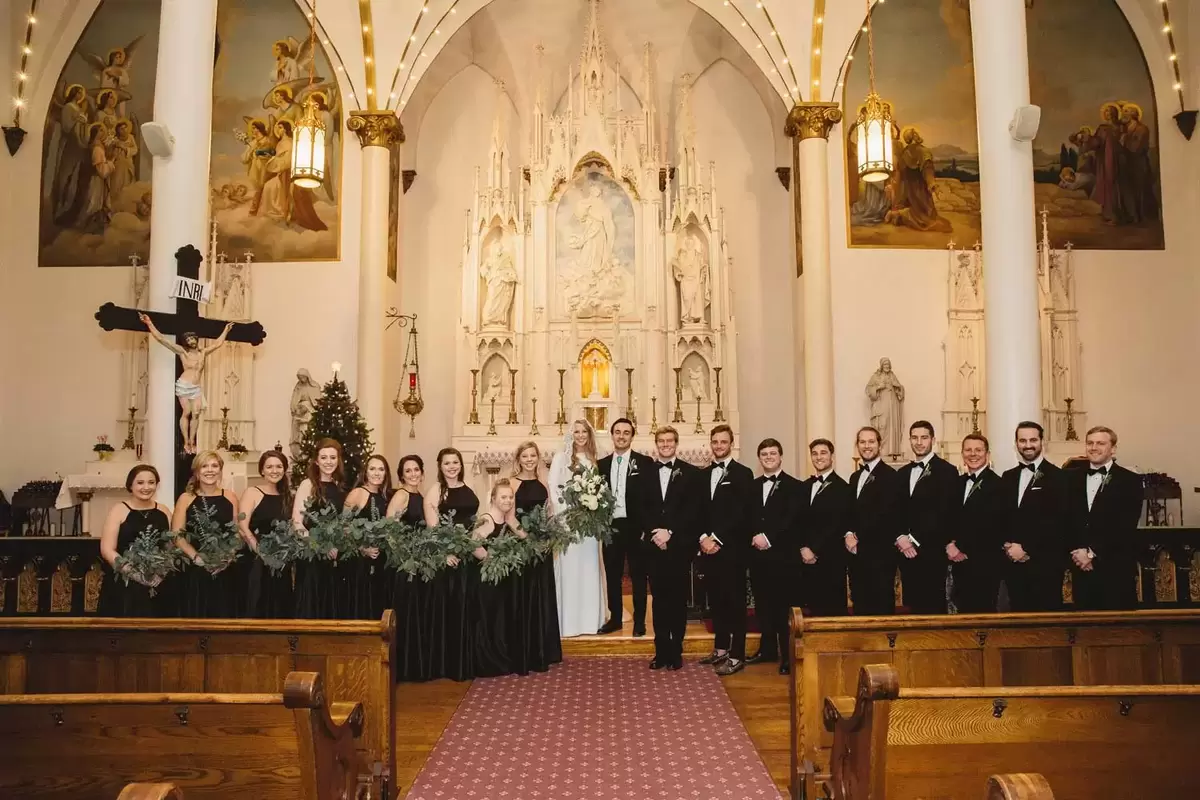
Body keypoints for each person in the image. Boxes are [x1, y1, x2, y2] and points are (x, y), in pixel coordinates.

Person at [641, 426, 701, 671]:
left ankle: (676, 651)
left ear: (676, 443)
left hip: (678, 547)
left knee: (677, 601)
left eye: (669, 441)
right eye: (661, 441)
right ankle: (661, 651)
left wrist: (671, 532)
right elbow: (639, 506)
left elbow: (693, 510)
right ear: (656, 444)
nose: (665, 444)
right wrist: (655, 532)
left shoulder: (690, 473)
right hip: (654, 546)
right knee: (658, 601)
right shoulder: (645, 472)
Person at [697, 424, 755, 676]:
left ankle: (737, 654)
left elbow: (742, 513)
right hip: (707, 548)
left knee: (735, 602)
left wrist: (718, 539)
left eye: (723, 441)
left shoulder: (743, 473)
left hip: (731, 548)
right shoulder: (702, 474)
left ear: (732, 443)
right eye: (715, 441)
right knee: (717, 601)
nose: (719, 445)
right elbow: (696, 511)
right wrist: (702, 538)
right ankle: (720, 649)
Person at [1066, 427, 1143, 611]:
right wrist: (1077, 552)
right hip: (1081, 569)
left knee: (1118, 632)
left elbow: (1125, 525)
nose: (1094, 447)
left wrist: (1092, 554)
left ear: (1113, 449)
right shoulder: (1070, 478)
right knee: (1085, 632)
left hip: (1115, 568)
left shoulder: (1129, 481)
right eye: (1090, 443)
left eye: (1101, 443)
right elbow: (1064, 520)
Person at [138, 312, 234, 455]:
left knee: (196, 414)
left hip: (195, 388)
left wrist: (225, 330)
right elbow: (162, 339)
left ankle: (192, 440)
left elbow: (218, 344)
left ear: (196, 339)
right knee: (187, 412)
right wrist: (149, 323)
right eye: (188, 339)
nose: (191, 340)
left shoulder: (203, 352)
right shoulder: (183, 352)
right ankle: (185, 441)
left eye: (192, 338)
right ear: (186, 342)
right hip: (184, 385)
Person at [423, 448, 480, 681]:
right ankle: (448, 665)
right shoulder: (436, 490)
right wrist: (445, 554)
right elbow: (432, 528)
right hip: (448, 560)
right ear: (440, 466)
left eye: (455, 462)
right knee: (450, 611)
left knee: (467, 609)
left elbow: (474, 522)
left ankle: (466, 662)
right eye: (447, 463)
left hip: (467, 556)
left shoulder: (468, 487)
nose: (452, 466)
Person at [746, 438, 801, 674]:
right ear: (759, 459)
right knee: (763, 606)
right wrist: (754, 536)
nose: (768, 457)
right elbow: (745, 516)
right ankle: (766, 650)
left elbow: (791, 520)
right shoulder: (752, 486)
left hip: (782, 557)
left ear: (780, 456)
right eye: (764, 454)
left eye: (773, 454)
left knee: (781, 608)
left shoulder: (795, 486)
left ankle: (787, 655)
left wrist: (768, 538)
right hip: (758, 557)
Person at [1000, 422, 1067, 612]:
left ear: (1042, 442)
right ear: (1016, 444)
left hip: (1044, 563)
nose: (1028, 445)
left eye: (1033, 440)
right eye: (1022, 440)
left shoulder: (1058, 477)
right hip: (1013, 563)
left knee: (1046, 623)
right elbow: (1003, 516)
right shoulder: (1008, 476)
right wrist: (1007, 545)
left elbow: (1057, 521)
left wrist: (1026, 548)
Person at [549, 420, 607, 637]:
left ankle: (591, 621)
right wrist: (567, 515)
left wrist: (593, 509)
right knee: (570, 569)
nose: (581, 435)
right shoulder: (560, 458)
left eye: (584, 432)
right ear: (570, 434)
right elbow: (553, 488)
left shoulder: (593, 459)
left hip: (589, 526)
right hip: (569, 523)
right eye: (577, 432)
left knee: (589, 568)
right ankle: (569, 623)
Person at [895, 421, 959, 614]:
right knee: (912, 608)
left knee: (933, 609)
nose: (919, 442)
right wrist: (901, 537)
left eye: (924, 437)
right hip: (906, 554)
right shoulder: (902, 473)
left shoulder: (947, 471)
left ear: (933, 440)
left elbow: (945, 513)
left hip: (932, 553)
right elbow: (895, 510)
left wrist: (914, 540)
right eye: (914, 437)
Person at [596, 418, 654, 635]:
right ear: (612, 435)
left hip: (636, 527)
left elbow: (651, 498)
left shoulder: (644, 462)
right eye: (617, 432)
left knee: (639, 576)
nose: (621, 436)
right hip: (612, 527)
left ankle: (640, 621)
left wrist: (646, 528)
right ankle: (616, 619)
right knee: (613, 575)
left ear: (632, 436)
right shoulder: (601, 465)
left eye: (626, 432)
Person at [510, 442, 562, 672]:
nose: (529, 459)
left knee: (541, 596)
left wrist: (550, 536)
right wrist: (527, 539)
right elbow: (509, 518)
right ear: (518, 459)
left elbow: (549, 512)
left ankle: (543, 650)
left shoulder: (543, 483)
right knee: (524, 597)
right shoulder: (512, 483)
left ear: (538, 457)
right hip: (522, 546)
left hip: (542, 546)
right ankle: (525, 652)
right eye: (525, 456)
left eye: (533, 455)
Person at [172, 451, 240, 618]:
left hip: (225, 568)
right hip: (195, 570)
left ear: (220, 470)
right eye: (204, 466)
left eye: (214, 466)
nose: (210, 470)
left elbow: (236, 532)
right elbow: (176, 535)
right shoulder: (186, 498)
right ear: (196, 471)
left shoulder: (230, 496)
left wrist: (228, 556)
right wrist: (197, 558)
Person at [98, 464, 172, 617]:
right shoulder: (118, 510)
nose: (146, 487)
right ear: (130, 485)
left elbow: (171, 546)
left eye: (151, 482)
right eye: (140, 482)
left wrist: (161, 572)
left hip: (158, 582)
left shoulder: (164, 510)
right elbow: (107, 549)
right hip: (126, 584)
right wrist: (135, 574)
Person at [469, 480, 524, 677]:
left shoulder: (506, 518)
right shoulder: (487, 519)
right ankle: (489, 662)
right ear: (493, 498)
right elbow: (472, 543)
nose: (508, 500)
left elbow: (525, 537)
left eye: (510, 497)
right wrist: (491, 560)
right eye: (503, 497)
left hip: (501, 580)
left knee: (500, 619)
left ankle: (501, 658)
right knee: (489, 619)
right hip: (487, 580)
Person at [845, 426, 901, 616]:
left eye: (871, 442)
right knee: (860, 605)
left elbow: (886, 516)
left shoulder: (891, 476)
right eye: (862, 442)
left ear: (879, 444)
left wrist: (858, 537)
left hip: (880, 555)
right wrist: (848, 533)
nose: (866, 446)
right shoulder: (854, 477)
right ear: (857, 446)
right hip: (856, 555)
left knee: (881, 608)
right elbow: (850, 512)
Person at [948, 434, 1004, 613]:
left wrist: (961, 548)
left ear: (987, 454)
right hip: (959, 565)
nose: (973, 454)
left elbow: (992, 526)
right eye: (968, 450)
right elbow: (948, 518)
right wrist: (949, 543)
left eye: (978, 450)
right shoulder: (957, 483)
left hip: (984, 564)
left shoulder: (998, 485)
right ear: (962, 454)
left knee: (983, 615)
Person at [292, 438, 348, 619]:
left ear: (338, 460)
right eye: (324, 457)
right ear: (316, 460)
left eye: (333, 457)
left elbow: (342, 522)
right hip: (311, 556)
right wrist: (321, 546)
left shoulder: (340, 487)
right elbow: (297, 523)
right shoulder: (307, 485)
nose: (329, 462)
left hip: (334, 556)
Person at [387, 454, 430, 682]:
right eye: (408, 471)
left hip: (418, 562)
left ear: (422, 473)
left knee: (416, 612)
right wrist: (404, 558)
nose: (413, 474)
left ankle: (414, 666)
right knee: (405, 612)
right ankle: (403, 668)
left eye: (416, 470)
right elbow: (389, 529)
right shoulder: (401, 496)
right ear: (401, 475)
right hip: (405, 564)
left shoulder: (419, 496)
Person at [799, 438, 852, 618]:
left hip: (830, 561)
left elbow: (837, 524)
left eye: (823, 453)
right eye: (814, 453)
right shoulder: (804, 486)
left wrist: (814, 549)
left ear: (832, 456)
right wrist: (803, 548)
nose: (818, 457)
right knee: (809, 614)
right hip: (805, 560)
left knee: (831, 613)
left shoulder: (843, 488)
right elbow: (799, 521)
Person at [238, 450, 294, 618]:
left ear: (284, 469)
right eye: (269, 467)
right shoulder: (252, 492)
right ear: (262, 470)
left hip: (282, 559)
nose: (274, 470)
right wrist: (262, 553)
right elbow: (242, 526)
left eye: (278, 466)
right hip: (257, 560)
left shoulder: (288, 496)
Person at [344, 454, 394, 620]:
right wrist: (362, 548)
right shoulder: (357, 493)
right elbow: (342, 527)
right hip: (360, 562)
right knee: (362, 607)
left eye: (381, 469)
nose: (377, 473)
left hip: (382, 561)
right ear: (365, 472)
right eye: (372, 469)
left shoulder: (386, 497)